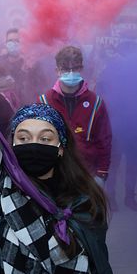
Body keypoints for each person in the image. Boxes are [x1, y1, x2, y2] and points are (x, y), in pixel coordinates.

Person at [0, 6, 113, 274]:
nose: (34, 144)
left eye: (45, 138)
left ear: (60, 148)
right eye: (23, 137)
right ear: (11, 145)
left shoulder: (83, 203)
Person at [40, 46, 112, 186]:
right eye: (66, 69)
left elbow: (104, 141)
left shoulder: (95, 103)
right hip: (54, 175)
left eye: (75, 68)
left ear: (81, 69)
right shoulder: (44, 101)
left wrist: (102, 173)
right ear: (57, 71)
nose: (71, 73)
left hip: (86, 174)